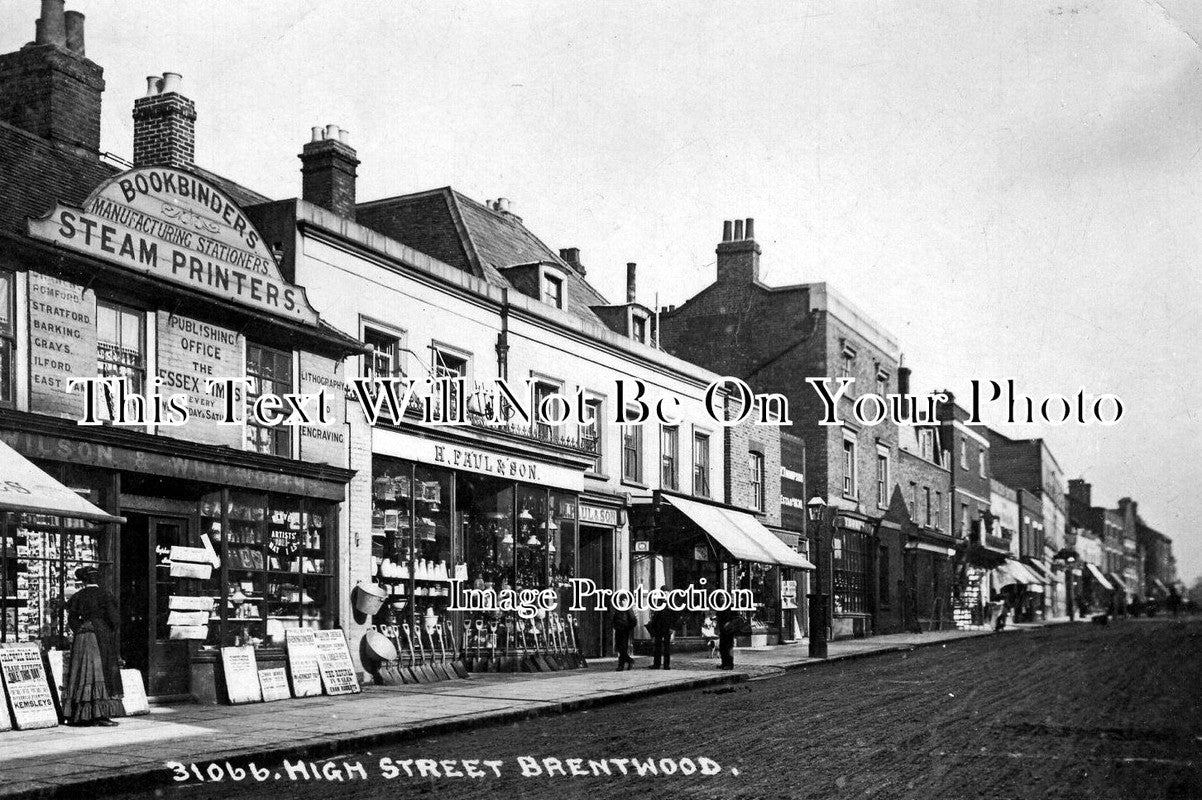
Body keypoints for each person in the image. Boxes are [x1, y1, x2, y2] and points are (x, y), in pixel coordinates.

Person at [63, 566, 121, 726]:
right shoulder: (105, 595)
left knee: (82, 673)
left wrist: (81, 628)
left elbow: (72, 618)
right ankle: (99, 715)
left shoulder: (78, 596)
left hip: (82, 638)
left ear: (83, 580)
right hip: (99, 637)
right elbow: (115, 620)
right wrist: (106, 629)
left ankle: (82, 715)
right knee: (99, 673)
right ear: (97, 579)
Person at [647, 587, 680, 670]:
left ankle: (666, 665)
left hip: (667, 628)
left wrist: (672, 628)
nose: (665, 594)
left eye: (666, 592)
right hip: (658, 627)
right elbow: (656, 615)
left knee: (666, 647)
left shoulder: (672, 603)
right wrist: (653, 626)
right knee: (657, 646)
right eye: (663, 592)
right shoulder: (659, 602)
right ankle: (656, 664)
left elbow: (676, 617)